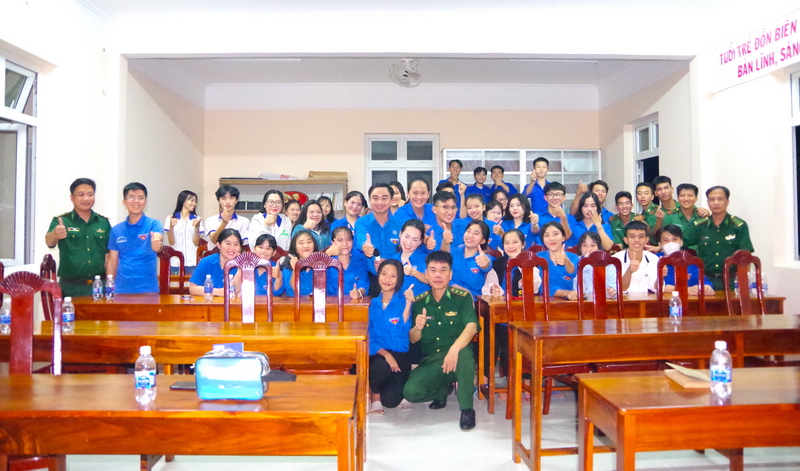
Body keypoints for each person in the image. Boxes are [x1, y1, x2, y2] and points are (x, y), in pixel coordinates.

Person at [403, 251, 480, 431]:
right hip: (433, 360)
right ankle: (442, 390)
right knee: (410, 392)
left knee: (464, 355)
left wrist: (454, 350)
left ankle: (467, 409)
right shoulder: (420, 302)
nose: (438, 275)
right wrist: (418, 327)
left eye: (443, 270)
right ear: (426, 273)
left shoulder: (462, 298)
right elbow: (413, 339)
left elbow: (472, 327)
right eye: (433, 270)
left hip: (458, 356)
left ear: (450, 274)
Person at [45, 178, 112, 297]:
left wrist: (110, 284)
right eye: (81, 194)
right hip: (70, 287)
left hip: (98, 286)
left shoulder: (103, 222)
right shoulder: (62, 221)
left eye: (90, 194)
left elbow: (109, 256)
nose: (86, 198)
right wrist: (55, 234)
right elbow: (49, 242)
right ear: (72, 197)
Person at [369, 259, 416, 414]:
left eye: (393, 276)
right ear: (378, 275)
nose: (387, 279)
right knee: (380, 366)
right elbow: (369, 336)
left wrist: (408, 305)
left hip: (400, 355)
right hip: (378, 354)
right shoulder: (371, 304)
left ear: (399, 279)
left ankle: (388, 387)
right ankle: (375, 395)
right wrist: (386, 355)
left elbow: (403, 332)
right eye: (384, 274)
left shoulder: (404, 301)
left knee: (390, 402)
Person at [690, 186, 754, 291]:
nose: (716, 203)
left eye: (720, 199)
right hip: (705, 282)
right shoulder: (699, 225)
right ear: (708, 202)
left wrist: (743, 284)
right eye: (712, 199)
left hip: (731, 282)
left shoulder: (738, 225)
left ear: (727, 201)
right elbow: (685, 247)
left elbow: (745, 257)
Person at [106, 182, 163, 294]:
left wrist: (157, 243)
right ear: (124, 202)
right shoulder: (116, 230)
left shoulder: (154, 224)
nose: (136, 201)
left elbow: (157, 237)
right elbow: (112, 262)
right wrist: (109, 288)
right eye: (131, 197)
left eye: (140, 198)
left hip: (148, 289)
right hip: (121, 289)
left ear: (145, 202)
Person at [355, 184, 401, 295]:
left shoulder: (400, 224)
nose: (379, 202)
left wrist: (389, 263)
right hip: (372, 279)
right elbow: (361, 238)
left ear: (391, 200)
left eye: (384, 198)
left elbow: (404, 249)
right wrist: (365, 246)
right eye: (375, 198)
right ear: (370, 200)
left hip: (396, 279)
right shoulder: (361, 222)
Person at [656, 225, 714, 296]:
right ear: (660, 244)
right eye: (666, 240)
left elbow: (705, 281)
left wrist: (707, 287)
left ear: (681, 242)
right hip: (664, 300)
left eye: (675, 239)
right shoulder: (654, 260)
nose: (671, 243)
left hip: (691, 301)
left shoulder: (691, 261)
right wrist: (685, 290)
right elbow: (653, 285)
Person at [188, 228, 243, 297]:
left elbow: (234, 291)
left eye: (236, 244)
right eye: (228, 243)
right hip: (209, 302)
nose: (232, 248)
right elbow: (193, 289)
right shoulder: (206, 261)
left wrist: (241, 268)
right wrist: (220, 292)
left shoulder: (244, 265)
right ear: (219, 245)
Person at [449, 220, 494, 298]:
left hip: (474, 301)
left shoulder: (483, 257)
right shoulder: (452, 253)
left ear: (483, 240)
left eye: (476, 233)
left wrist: (485, 263)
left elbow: (487, 265)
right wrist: (461, 290)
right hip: (451, 297)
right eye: (468, 231)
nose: (470, 235)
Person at [567, 231, 617, 301]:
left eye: (593, 245)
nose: (589, 249)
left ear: (599, 248)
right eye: (584, 245)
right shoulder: (575, 262)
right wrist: (586, 262)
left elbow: (613, 285)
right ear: (580, 248)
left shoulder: (609, 264)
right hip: (581, 301)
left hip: (604, 301)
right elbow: (577, 288)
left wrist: (611, 291)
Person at [163, 190, 204, 275]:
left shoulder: (197, 219)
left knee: (191, 284)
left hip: (192, 262)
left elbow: (196, 243)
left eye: (195, 201)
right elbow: (171, 242)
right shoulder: (171, 218)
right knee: (175, 284)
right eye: (191, 200)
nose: (194, 203)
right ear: (183, 200)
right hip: (175, 262)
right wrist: (171, 226)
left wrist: (197, 227)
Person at [612, 220, 659, 294]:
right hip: (623, 300)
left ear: (646, 240)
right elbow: (619, 289)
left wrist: (660, 275)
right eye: (632, 236)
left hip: (647, 300)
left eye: (641, 236)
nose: (637, 240)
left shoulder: (654, 259)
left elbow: (656, 289)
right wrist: (629, 271)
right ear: (626, 240)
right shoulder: (615, 260)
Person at [536, 221, 579, 299]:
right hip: (542, 301)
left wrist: (566, 261)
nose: (551, 239)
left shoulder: (573, 257)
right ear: (543, 240)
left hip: (568, 301)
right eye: (547, 235)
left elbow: (572, 273)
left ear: (563, 237)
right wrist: (566, 293)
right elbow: (544, 287)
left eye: (555, 234)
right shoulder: (538, 258)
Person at [388, 219, 430, 297]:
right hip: (398, 302)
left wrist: (414, 272)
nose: (409, 242)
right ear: (400, 234)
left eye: (415, 240)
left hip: (419, 303)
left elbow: (431, 281)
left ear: (420, 242)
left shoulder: (426, 259)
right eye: (406, 237)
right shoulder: (393, 259)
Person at [661, 183, 711, 248]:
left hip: (699, 252)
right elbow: (665, 239)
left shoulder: (702, 216)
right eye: (682, 196)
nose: (686, 199)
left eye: (690, 195)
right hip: (675, 252)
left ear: (696, 198)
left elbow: (706, 240)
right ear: (678, 198)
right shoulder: (669, 216)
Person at [326, 226, 370, 299]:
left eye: (348, 240)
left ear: (353, 241)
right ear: (333, 242)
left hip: (354, 303)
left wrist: (359, 292)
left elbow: (364, 283)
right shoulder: (327, 263)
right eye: (340, 240)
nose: (345, 244)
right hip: (331, 303)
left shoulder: (360, 260)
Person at [281, 229, 320, 297]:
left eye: (309, 242)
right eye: (301, 243)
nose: (306, 245)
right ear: (295, 249)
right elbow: (292, 291)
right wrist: (296, 269)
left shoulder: (321, 265)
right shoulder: (288, 266)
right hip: (295, 302)